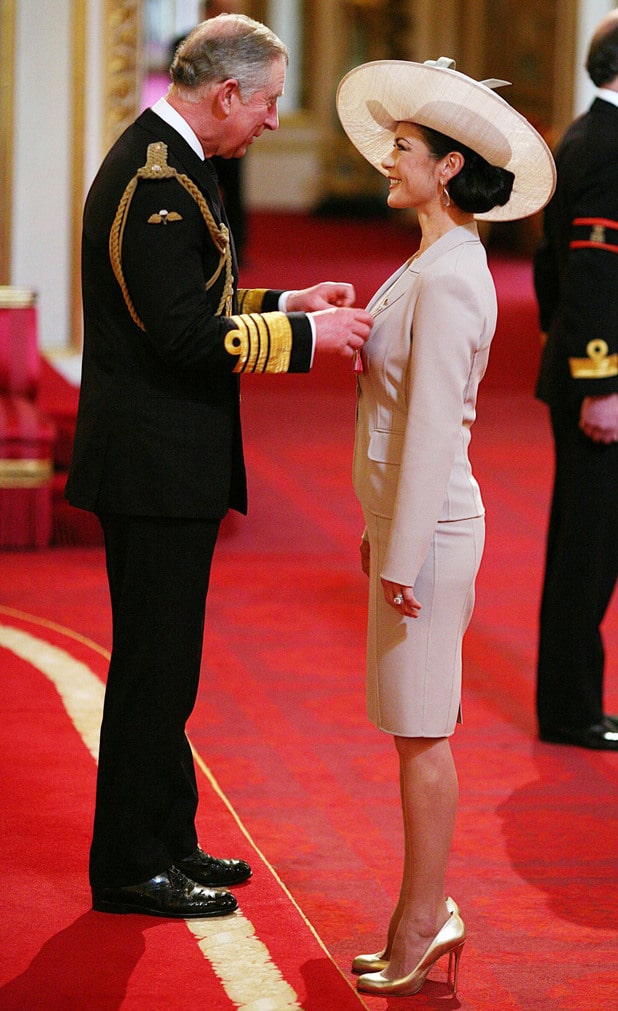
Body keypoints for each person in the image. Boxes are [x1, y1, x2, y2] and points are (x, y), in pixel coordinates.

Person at [65, 13, 372, 920]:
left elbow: (193, 294)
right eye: (270, 102)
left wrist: (285, 298)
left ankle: (168, 833)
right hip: (152, 463)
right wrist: (310, 336)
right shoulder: (155, 180)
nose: (274, 120)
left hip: (168, 456)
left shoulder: (180, 165)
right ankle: (129, 862)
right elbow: (190, 336)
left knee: (172, 666)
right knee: (156, 669)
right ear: (227, 93)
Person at [336, 58, 555, 996]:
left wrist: (406, 544)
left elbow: (431, 427)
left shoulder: (455, 274)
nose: (390, 157)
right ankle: (420, 916)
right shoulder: (430, 258)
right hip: (408, 523)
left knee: (424, 734)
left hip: (431, 531)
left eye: (407, 147)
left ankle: (426, 919)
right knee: (410, 729)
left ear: (452, 168)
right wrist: (383, 526)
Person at [534, 10, 618, 752]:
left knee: (590, 545)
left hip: (587, 369)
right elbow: (591, 270)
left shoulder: (587, 136)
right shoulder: (606, 146)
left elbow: (545, 262)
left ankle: (575, 702)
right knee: (587, 552)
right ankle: (571, 710)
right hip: (602, 384)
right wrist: (599, 381)